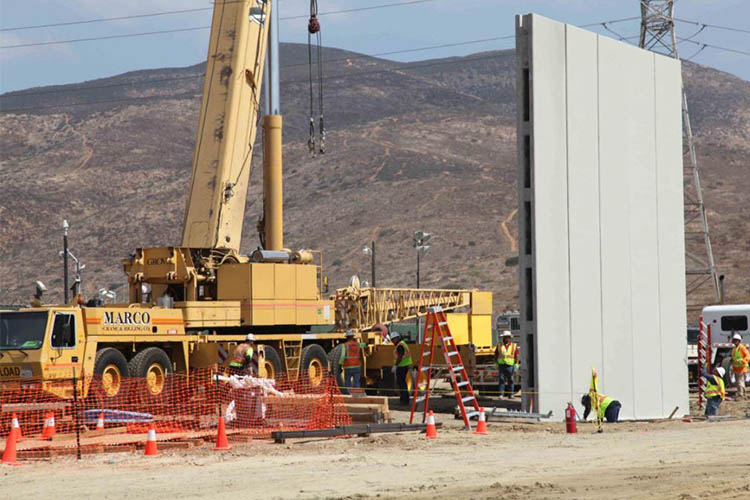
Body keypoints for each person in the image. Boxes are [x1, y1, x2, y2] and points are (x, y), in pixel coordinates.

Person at [494, 331, 519, 398]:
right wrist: (496, 363)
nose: (504, 339)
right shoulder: (499, 345)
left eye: (506, 337)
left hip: (510, 365)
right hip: (501, 365)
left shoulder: (514, 346)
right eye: (504, 337)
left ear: (509, 338)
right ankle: (501, 394)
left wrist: (516, 364)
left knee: (511, 380)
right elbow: (496, 354)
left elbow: (516, 355)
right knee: (501, 380)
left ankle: (511, 394)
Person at [392, 332, 412, 404]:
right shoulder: (401, 344)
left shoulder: (400, 345)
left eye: (393, 339)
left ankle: (405, 400)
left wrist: (395, 366)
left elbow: (400, 357)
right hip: (403, 366)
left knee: (402, 383)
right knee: (402, 383)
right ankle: (403, 399)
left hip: (402, 366)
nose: (392, 341)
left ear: (397, 338)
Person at [730, 333, 749, 400]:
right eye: (734, 340)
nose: (735, 342)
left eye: (736, 340)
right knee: (739, 382)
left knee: (740, 382)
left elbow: (747, 356)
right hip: (736, 368)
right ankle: (742, 393)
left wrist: (742, 361)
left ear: (739, 341)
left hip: (741, 368)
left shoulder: (742, 348)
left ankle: (741, 394)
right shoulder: (735, 349)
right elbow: (734, 358)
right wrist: (732, 361)